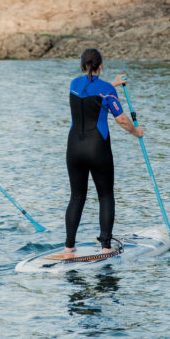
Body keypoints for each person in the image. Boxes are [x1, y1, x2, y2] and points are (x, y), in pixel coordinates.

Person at [63, 48, 143, 258]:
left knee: (77, 197)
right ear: (101, 66)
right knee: (106, 196)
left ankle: (69, 247)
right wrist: (136, 132)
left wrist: (111, 85)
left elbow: (91, 92)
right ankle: (106, 246)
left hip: (74, 149)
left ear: (82, 66)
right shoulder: (106, 90)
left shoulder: (73, 84)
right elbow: (121, 119)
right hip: (97, 149)